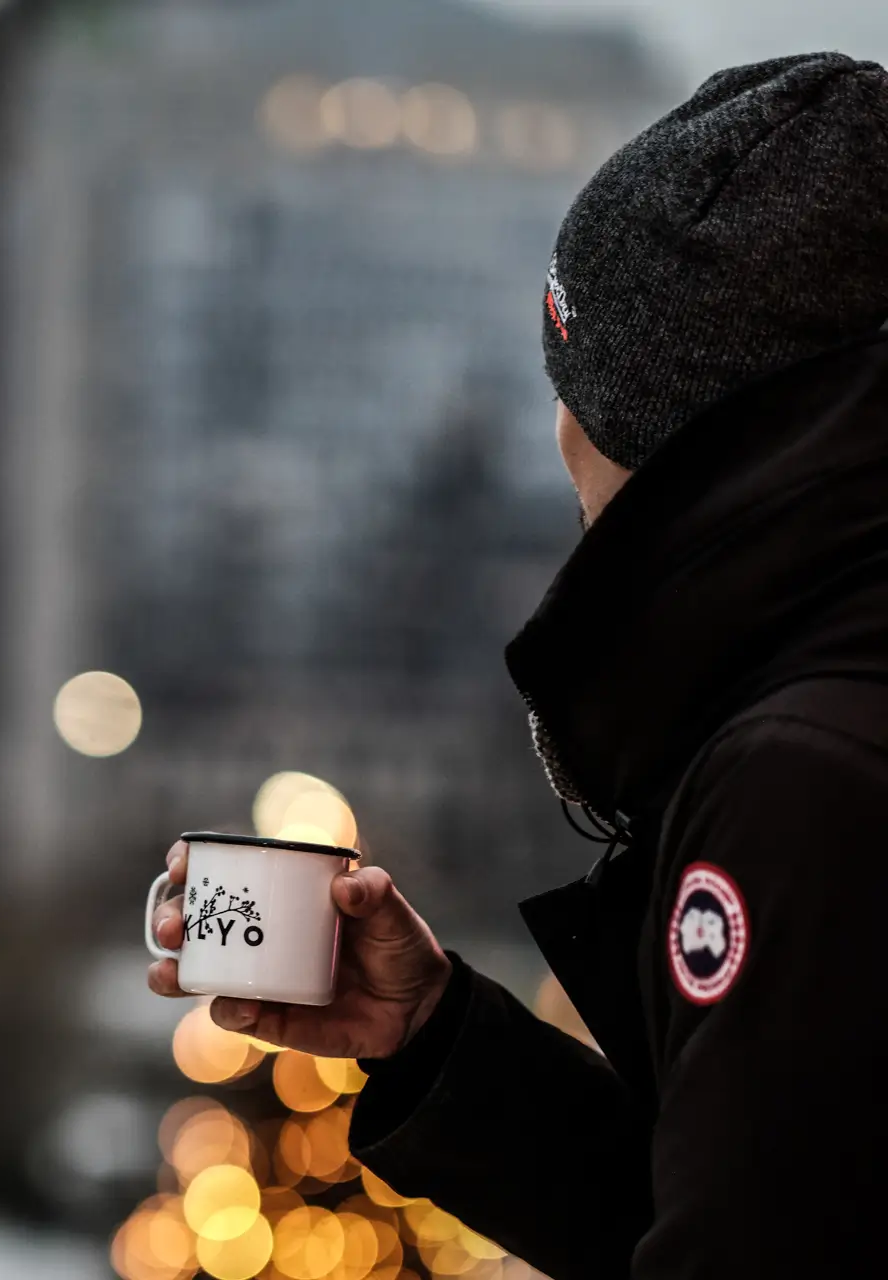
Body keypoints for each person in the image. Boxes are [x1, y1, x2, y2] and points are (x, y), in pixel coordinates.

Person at [147, 52, 888, 1279]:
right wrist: (436, 1038)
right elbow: (773, 1206)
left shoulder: (806, 777)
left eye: (573, 388)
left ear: (645, 423)